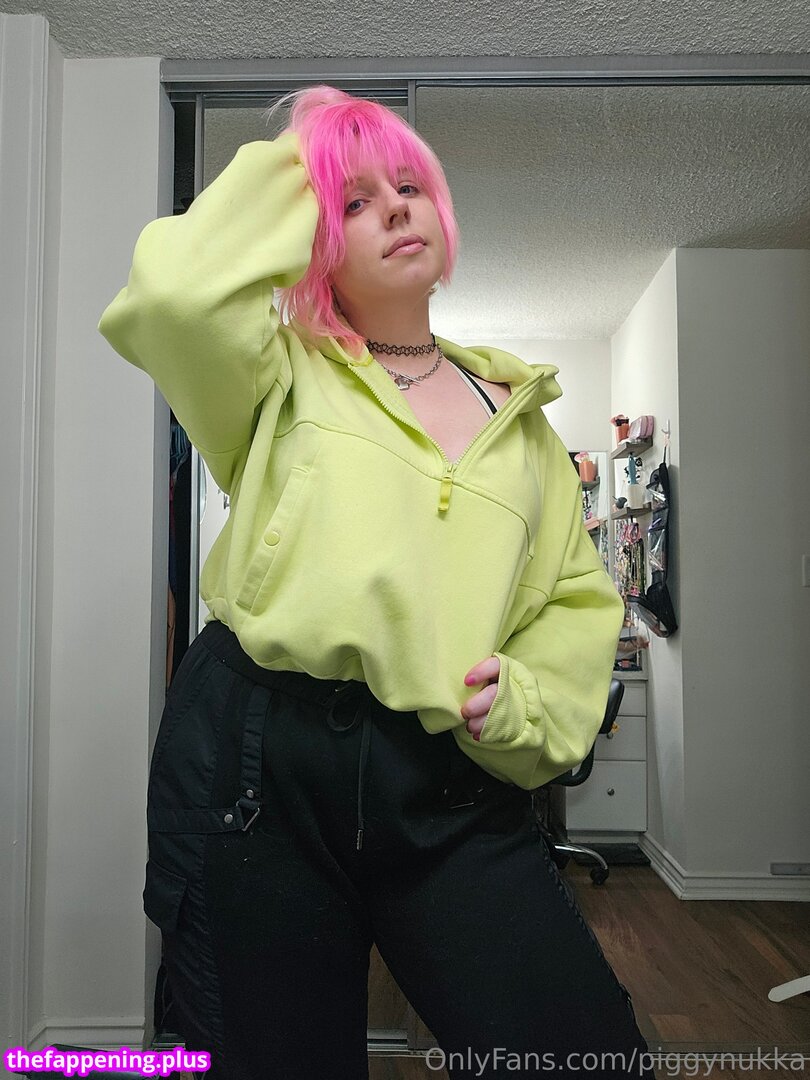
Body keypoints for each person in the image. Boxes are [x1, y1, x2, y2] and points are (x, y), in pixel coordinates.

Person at [97, 85, 655, 1080]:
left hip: (443, 778)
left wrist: (524, 704)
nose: (396, 207)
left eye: (410, 187)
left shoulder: (525, 425)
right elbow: (177, 295)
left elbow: (573, 599)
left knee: (581, 1054)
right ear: (313, 237)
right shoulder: (277, 377)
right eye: (354, 202)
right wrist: (308, 153)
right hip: (257, 763)